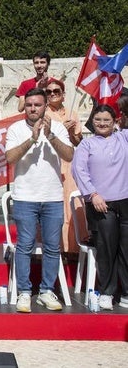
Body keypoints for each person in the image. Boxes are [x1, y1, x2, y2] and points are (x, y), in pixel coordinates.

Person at [5, 88, 74, 313]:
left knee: (52, 248)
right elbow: (10, 158)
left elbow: (69, 155)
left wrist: (50, 135)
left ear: (45, 106)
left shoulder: (58, 127)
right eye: (29, 105)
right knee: (24, 246)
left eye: (37, 105)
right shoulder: (15, 129)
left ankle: (46, 291)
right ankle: (24, 292)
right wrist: (32, 139)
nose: (33, 108)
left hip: (52, 196)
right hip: (25, 196)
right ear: (25, 106)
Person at [72, 104, 128, 310]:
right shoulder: (86, 145)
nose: (102, 123)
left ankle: (127, 292)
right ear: (92, 122)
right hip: (101, 204)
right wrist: (93, 194)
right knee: (106, 248)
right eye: (98, 120)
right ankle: (107, 291)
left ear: (115, 121)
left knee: (126, 248)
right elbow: (79, 171)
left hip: (125, 201)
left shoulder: (124, 138)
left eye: (106, 120)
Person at [43, 77, 83, 253]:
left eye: (56, 91)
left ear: (63, 95)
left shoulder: (72, 113)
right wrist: (60, 128)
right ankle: (55, 248)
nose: (52, 94)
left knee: (71, 204)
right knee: (54, 207)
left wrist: (72, 131)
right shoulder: (43, 113)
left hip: (69, 164)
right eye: (49, 92)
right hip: (50, 163)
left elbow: (78, 141)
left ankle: (72, 247)